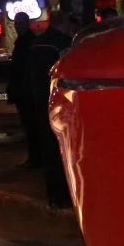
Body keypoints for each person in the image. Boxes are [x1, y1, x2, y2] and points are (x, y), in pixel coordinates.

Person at [27, 12, 77, 209]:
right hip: (58, 101)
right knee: (62, 149)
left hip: (39, 101)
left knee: (47, 149)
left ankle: (53, 195)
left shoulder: (36, 44)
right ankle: (64, 195)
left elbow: (28, 73)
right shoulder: (63, 43)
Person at [5, 12, 41, 168]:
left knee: (32, 127)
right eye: (16, 24)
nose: (17, 27)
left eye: (20, 24)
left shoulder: (27, 43)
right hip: (25, 92)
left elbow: (24, 69)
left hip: (27, 93)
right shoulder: (24, 42)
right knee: (30, 127)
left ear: (27, 24)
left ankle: (36, 159)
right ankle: (35, 158)